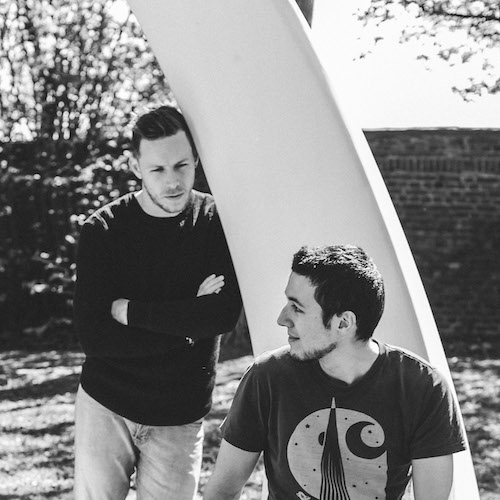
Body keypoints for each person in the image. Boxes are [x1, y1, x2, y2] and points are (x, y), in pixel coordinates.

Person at [204, 244, 467, 500]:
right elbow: (223, 491)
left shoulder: (424, 387)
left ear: (343, 323)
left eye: (297, 308)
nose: (282, 319)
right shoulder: (267, 376)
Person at [73, 104, 242, 499]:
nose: (172, 182)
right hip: (106, 405)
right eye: (157, 170)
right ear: (135, 166)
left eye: (181, 165)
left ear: (196, 159)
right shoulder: (103, 230)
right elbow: (95, 339)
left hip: (179, 414)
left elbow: (220, 315)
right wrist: (187, 323)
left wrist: (131, 312)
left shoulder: (216, 222)